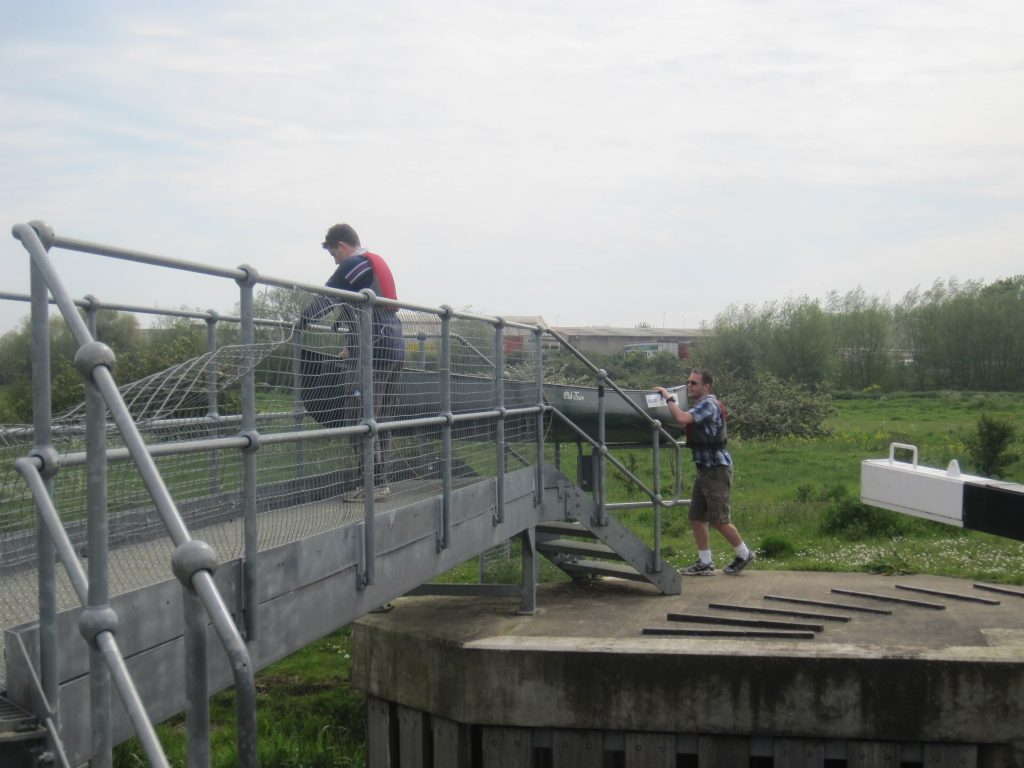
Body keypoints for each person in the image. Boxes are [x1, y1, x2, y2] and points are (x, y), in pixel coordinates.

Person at [299, 223, 405, 501]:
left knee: (359, 417)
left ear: (341, 245)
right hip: (393, 346)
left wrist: (300, 323)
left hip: (375, 354)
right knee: (381, 418)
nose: (334, 260)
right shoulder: (370, 264)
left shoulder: (352, 265)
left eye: (333, 253)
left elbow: (325, 299)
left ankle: (372, 485)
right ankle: (380, 482)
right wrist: (350, 341)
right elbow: (363, 308)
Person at [655, 371, 755, 576]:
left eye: (694, 383)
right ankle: (705, 562)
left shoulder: (708, 404)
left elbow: (682, 417)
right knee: (697, 516)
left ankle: (744, 554)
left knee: (719, 519)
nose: (689, 385)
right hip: (704, 468)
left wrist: (668, 397)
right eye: (688, 382)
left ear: (706, 387)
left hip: (716, 469)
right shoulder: (700, 405)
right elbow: (685, 422)